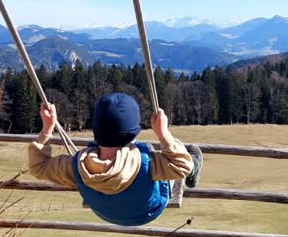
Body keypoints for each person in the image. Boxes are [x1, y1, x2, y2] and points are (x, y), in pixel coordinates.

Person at [27, 91, 203, 227]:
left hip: (105, 212)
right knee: (173, 157)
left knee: (162, 159)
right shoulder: (145, 162)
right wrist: (164, 135)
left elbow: (39, 167)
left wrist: (47, 129)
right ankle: (197, 167)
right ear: (134, 132)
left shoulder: (77, 166)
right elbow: (182, 165)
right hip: (147, 211)